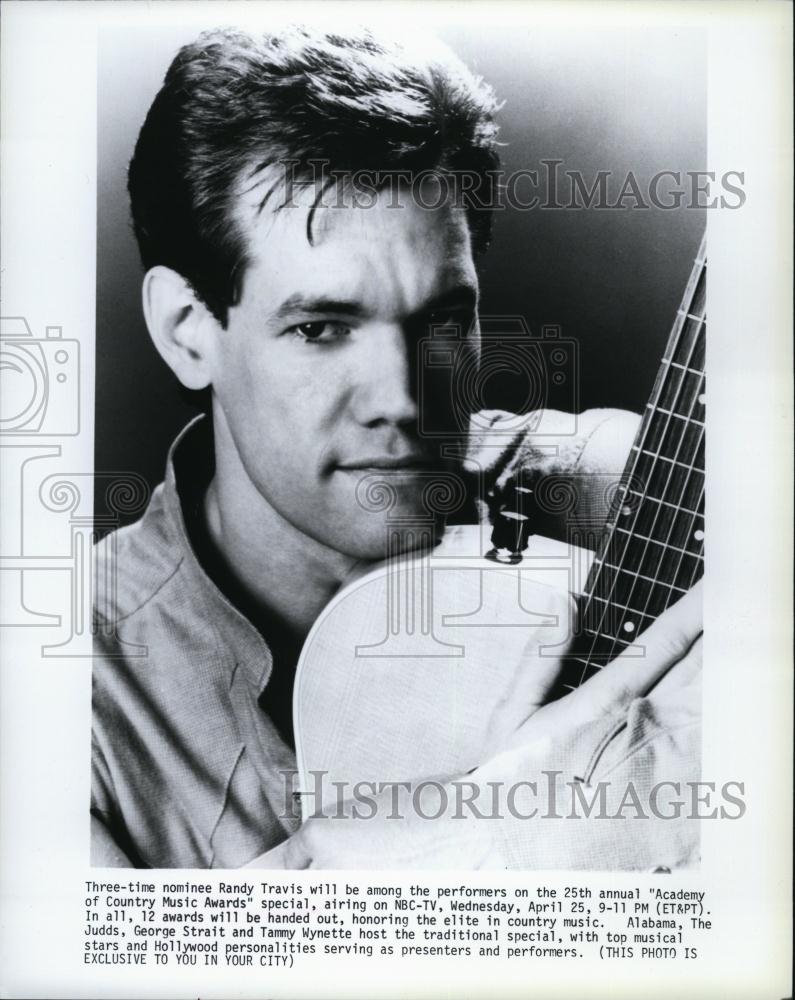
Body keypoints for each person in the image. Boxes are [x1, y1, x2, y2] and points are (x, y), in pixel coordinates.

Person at [91, 25, 702, 870]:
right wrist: (486, 833)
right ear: (188, 330)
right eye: (321, 327)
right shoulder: (60, 696)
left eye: (443, 321)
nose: (406, 400)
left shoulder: (616, 500)